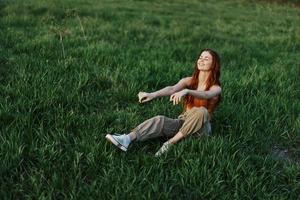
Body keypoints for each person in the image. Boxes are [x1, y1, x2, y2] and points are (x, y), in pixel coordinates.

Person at [105, 49, 222, 156]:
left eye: (206, 59)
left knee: (201, 110)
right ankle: (127, 139)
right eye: (200, 57)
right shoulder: (189, 80)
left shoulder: (216, 88)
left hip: (201, 130)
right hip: (184, 121)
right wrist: (152, 94)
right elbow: (171, 89)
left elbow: (206, 94)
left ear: (214, 64)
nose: (201, 60)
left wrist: (187, 91)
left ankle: (170, 143)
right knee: (160, 120)